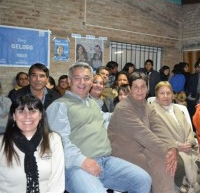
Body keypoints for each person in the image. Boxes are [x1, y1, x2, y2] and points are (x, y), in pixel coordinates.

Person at [46, 62, 152, 193]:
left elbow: (106, 117)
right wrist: (82, 161)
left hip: (107, 161)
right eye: (77, 78)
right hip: (77, 165)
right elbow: (60, 141)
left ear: (91, 81)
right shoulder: (59, 106)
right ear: (69, 80)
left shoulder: (92, 103)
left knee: (143, 180)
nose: (82, 82)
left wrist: (130, 112)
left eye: (86, 78)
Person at [108, 72, 179, 193]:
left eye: (143, 86)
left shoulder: (147, 105)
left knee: (165, 162)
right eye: (136, 87)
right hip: (124, 152)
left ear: (147, 88)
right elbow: (144, 135)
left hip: (143, 148)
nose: (140, 91)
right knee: (163, 163)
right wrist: (167, 152)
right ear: (130, 88)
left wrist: (172, 147)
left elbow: (159, 128)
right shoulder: (123, 108)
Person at [0, 94, 65, 192]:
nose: (27, 116)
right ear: (14, 116)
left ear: (40, 115)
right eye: (21, 111)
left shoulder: (53, 140)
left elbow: (57, 184)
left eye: (33, 111)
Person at [151, 81, 200, 193]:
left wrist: (189, 142)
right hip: (165, 149)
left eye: (168, 93)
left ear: (173, 95)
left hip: (185, 147)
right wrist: (178, 145)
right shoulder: (152, 111)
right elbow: (157, 135)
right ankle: (176, 188)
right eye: (162, 93)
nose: (165, 96)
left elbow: (189, 129)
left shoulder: (177, 109)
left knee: (187, 162)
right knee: (180, 165)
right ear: (156, 96)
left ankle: (180, 187)